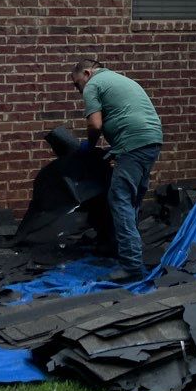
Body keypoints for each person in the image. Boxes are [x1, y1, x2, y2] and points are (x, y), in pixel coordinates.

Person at [71, 57, 163, 281]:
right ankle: (121, 247)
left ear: (87, 73)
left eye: (76, 84)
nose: (78, 90)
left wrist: (89, 145)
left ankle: (131, 266)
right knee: (131, 200)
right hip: (151, 140)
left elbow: (95, 124)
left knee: (119, 199)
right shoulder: (119, 80)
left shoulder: (93, 84)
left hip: (133, 144)